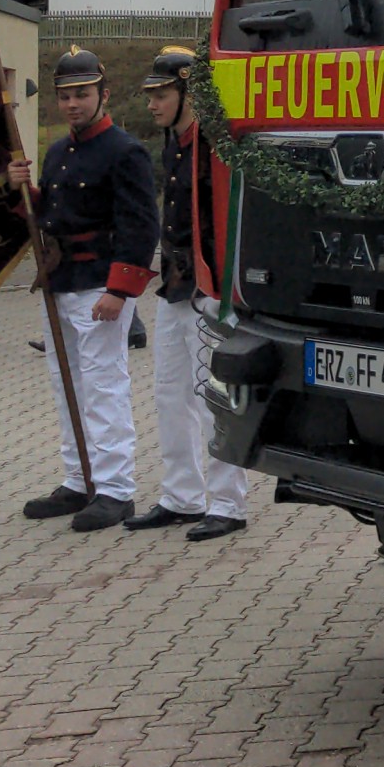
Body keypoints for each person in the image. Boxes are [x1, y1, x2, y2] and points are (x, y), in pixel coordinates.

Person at [10, 50, 157, 531]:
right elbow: (51, 215)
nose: (72, 104)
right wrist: (23, 192)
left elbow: (140, 226)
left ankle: (115, 489)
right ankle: (79, 479)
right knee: (66, 384)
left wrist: (120, 290)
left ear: (103, 94)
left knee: (103, 387)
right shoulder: (57, 151)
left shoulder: (125, 151)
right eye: (65, 96)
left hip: (100, 285)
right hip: (62, 281)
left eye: (82, 95)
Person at [124, 47, 248, 542]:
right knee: (171, 395)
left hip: (209, 285)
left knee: (214, 396)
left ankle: (228, 502)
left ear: (187, 94)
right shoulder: (173, 141)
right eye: (152, 94)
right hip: (176, 284)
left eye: (162, 94)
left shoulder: (212, 143)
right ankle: (182, 495)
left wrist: (221, 287)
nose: (153, 104)